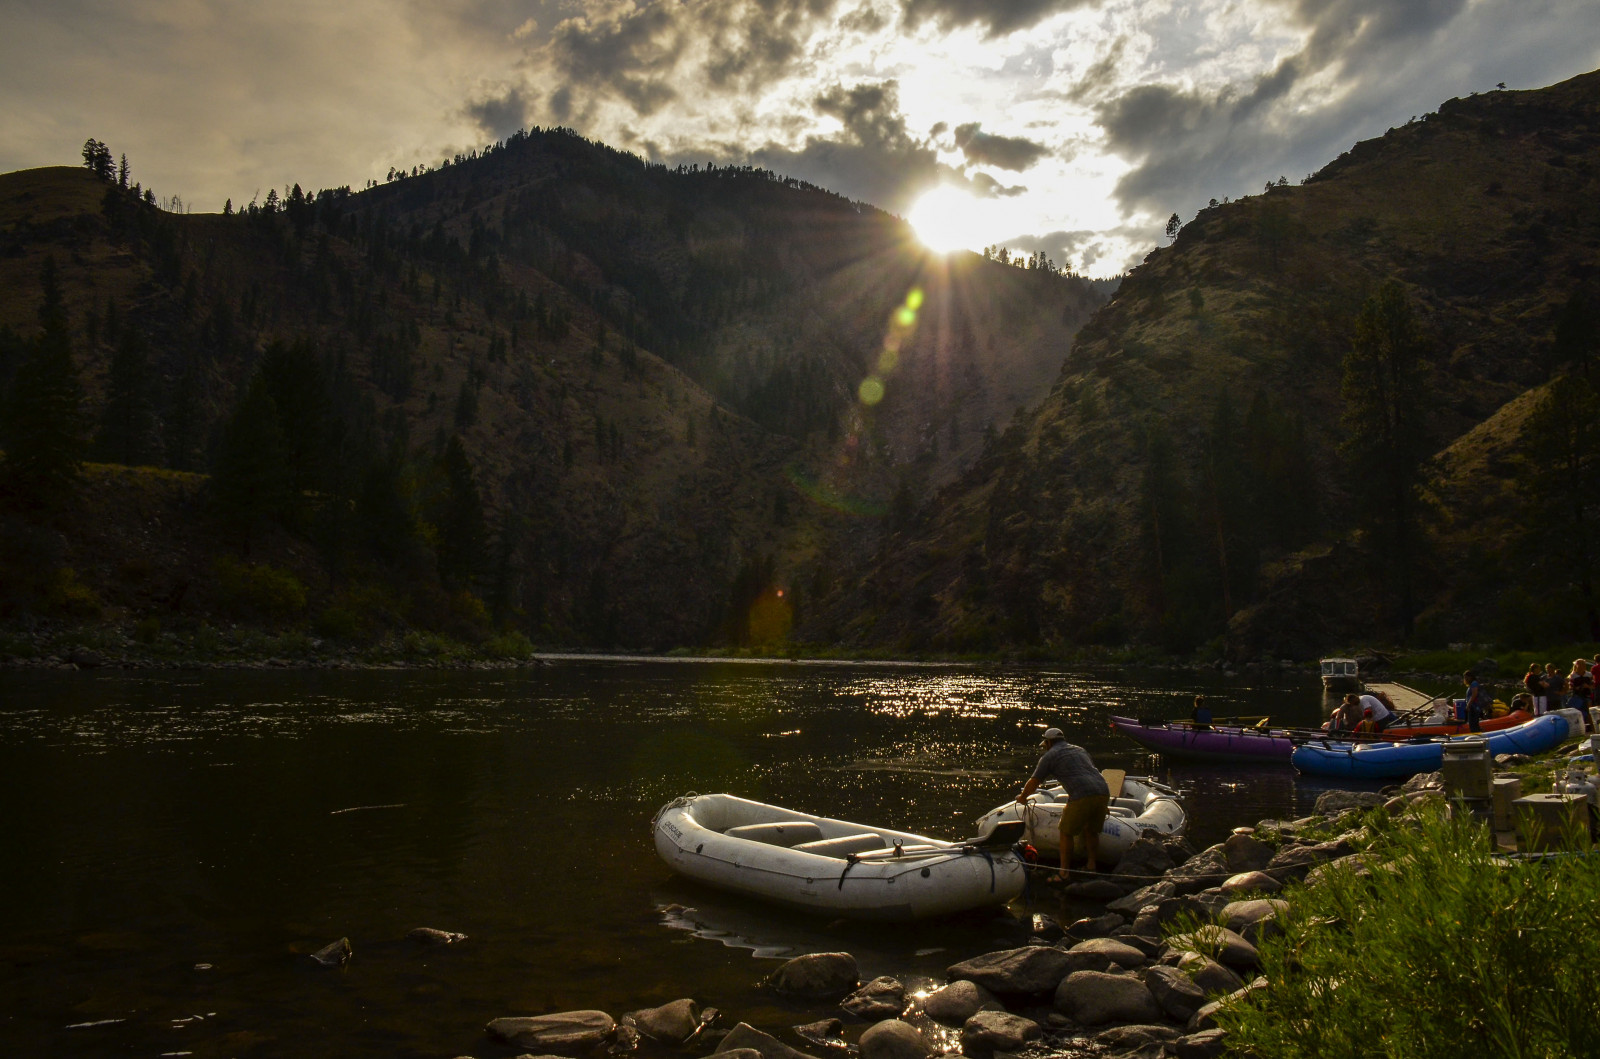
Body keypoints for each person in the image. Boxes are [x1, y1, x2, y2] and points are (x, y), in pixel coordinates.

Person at [1016, 727, 1109, 876]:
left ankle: (1064, 873)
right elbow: (1090, 771)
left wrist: (1023, 797)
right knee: (1091, 830)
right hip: (1103, 791)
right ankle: (1091, 865)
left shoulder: (1049, 756)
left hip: (1081, 794)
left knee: (1065, 832)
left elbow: (1034, 782)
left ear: (1048, 742)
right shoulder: (1080, 750)